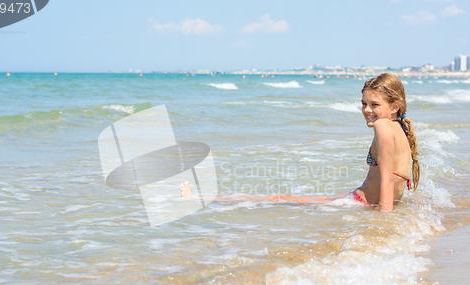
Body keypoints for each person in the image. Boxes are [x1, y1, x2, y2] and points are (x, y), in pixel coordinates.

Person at [180, 73, 420, 211]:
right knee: (284, 199)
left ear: (394, 106)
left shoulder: (382, 127)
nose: (367, 110)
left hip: (359, 203)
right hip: (360, 201)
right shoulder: (401, 128)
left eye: (374, 105)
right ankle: (202, 198)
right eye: (363, 103)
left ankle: (199, 199)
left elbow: (387, 180)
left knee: (277, 199)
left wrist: (385, 226)